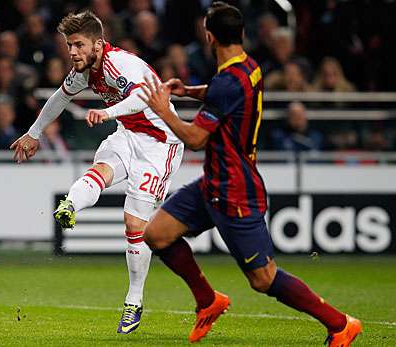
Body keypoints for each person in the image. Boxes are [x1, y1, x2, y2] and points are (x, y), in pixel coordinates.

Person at [138, 3, 362, 346]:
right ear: (241, 34)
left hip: (235, 191)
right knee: (157, 234)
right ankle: (208, 301)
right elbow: (225, 94)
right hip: (214, 182)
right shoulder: (249, 67)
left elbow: (196, 139)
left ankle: (339, 324)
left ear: (209, 36)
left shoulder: (228, 80)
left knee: (263, 279)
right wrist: (190, 91)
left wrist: (163, 111)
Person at [10, 10, 184, 334]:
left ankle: (134, 299)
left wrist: (108, 112)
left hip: (161, 143)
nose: (72, 52)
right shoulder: (84, 71)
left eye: (78, 45)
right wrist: (34, 133)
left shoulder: (122, 65)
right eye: (68, 45)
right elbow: (59, 98)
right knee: (100, 170)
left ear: (98, 44)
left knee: (134, 223)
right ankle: (70, 205)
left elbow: (142, 97)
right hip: (128, 134)